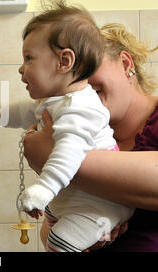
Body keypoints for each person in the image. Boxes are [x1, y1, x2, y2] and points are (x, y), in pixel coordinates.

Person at [0, 0, 133, 252]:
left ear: (64, 62)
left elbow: (69, 151)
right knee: (53, 229)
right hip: (76, 198)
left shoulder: (81, 107)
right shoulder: (55, 101)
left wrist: (43, 190)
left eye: (29, 58)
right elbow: (23, 112)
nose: (21, 69)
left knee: (58, 242)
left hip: (100, 203)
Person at [24, 22, 158, 252]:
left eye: (86, 64)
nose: (75, 76)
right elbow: (52, 226)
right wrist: (79, 238)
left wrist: (52, 155)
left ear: (126, 64)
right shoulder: (73, 127)